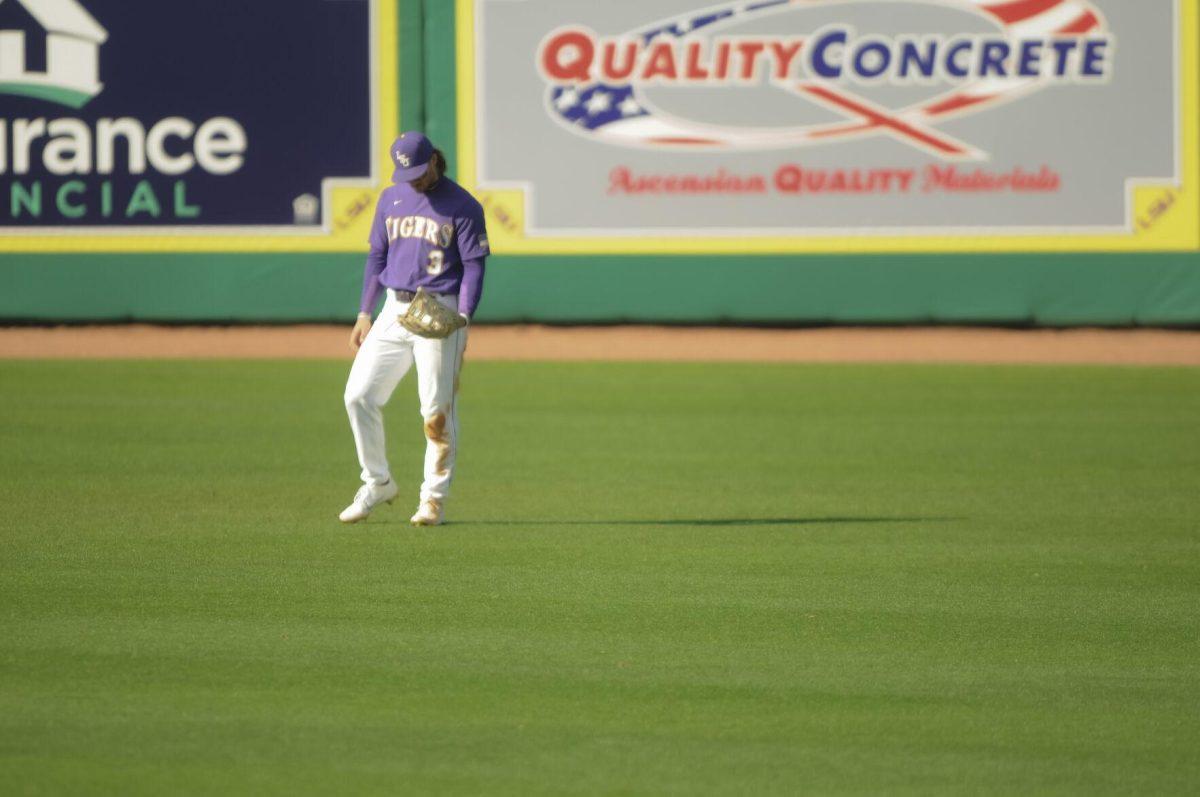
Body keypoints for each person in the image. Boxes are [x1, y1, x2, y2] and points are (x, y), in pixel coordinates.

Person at [339, 132, 489, 525]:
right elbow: (377, 255)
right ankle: (377, 482)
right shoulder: (391, 197)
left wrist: (466, 316)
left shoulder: (463, 205)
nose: (415, 180)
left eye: (420, 172)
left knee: (436, 411)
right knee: (358, 396)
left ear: (435, 161)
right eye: (408, 174)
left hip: (440, 308)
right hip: (394, 308)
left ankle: (433, 500)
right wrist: (363, 313)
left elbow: (474, 265)